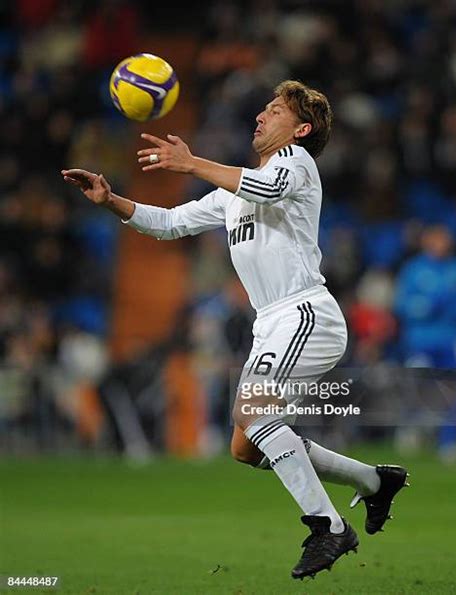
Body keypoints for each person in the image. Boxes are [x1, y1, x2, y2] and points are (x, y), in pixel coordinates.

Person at [62, 80, 409, 580]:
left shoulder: (297, 164)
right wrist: (110, 199)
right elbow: (168, 222)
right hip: (271, 323)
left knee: (253, 413)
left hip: (304, 312)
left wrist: (193, 163)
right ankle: (375, 482)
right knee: (247, 445)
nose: (261, 116)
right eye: (264, 107)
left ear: (301, 128)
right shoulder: (234, 194)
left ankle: (328, 525)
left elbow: (265, 187)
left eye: (275, 110)